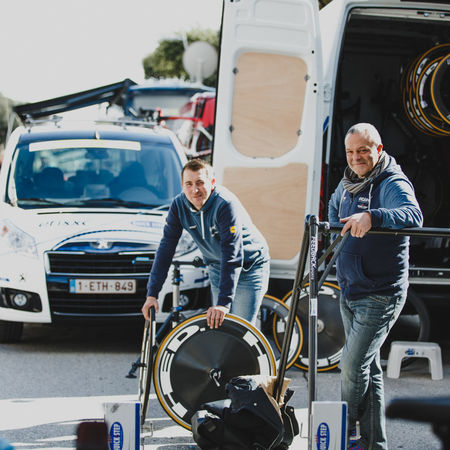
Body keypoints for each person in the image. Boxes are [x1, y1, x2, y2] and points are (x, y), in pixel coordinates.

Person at [328, 123, 423, 450]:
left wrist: (373, 217)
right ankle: (374, 444)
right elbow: (333, 214)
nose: (356, 158)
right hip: (350, 289)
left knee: (351, 367)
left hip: (380, 293)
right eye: (350, 152)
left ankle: (343, 433)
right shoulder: (346, 184)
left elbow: (413, 215)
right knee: (368, 369)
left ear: (378, 150)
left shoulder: (391, 181)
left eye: (363, 150)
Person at [142, 159, 270, 329]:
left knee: (241, 329)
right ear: (182, 186)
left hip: (250, 265)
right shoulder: (179, 205)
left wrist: (223, 303)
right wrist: (152, 294)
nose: (195, 190)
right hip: (217, 266)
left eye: (200, 183)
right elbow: (166, 249)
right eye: (188, 184)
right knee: (221, 326)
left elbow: (232, 254)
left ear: (212, 182)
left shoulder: (225, 204)